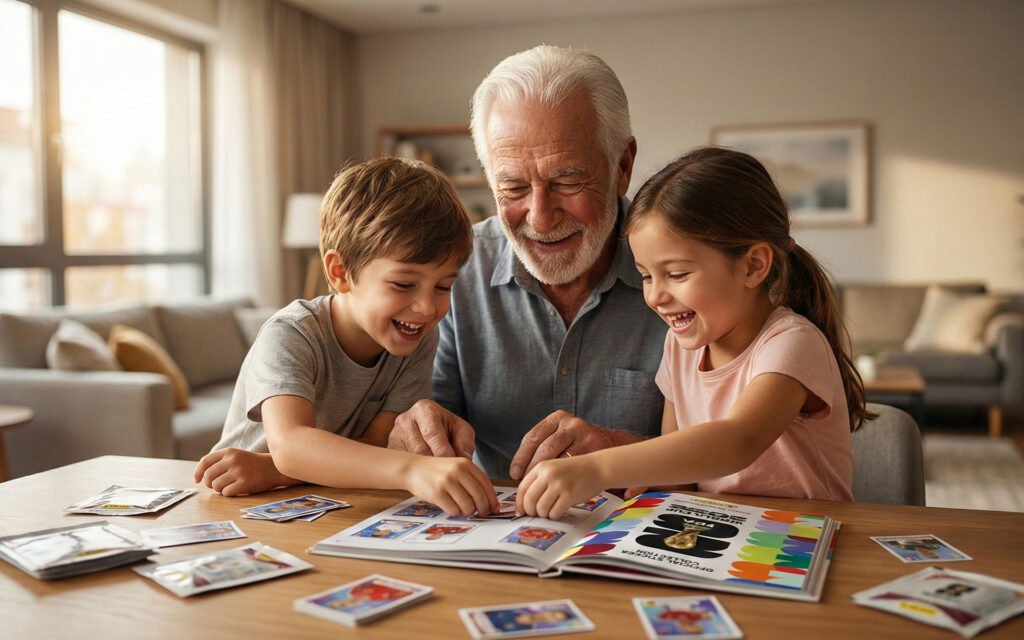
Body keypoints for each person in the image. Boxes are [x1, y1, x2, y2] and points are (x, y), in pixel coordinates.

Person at [516, 147, 869, 519]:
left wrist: (598, 468)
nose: (655, 296)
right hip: (727, 535)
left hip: (811, 539)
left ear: (753, 266)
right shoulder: (680, 347)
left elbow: (737, 441)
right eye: (646, 275)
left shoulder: (792, 342)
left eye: (678, 274)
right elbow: (681, 473)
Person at [387, 45, 668, 481]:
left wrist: (620, 455)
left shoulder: (686, 270)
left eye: (567, 181)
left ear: (623, 166)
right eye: (514, 187)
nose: (539, 217)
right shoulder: (451, 271)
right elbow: (424, 416)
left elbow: (739, 450)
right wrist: (416, 426)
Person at [193, 157, 499, 517]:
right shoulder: (291, 334)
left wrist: (272, 471)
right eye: (403, 284)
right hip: (243, 506)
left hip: (326, 502)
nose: (426, 308)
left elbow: (374, 444)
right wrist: (413, 469)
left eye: (444, 285)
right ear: (340, 272)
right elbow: (292, 445)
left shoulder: (413, 337)